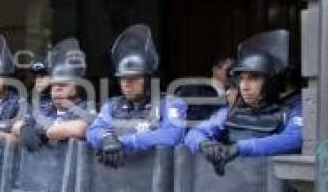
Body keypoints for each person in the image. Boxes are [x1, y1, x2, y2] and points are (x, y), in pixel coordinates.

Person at [185, 30, 302, 175]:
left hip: (271, 191)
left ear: (271, 82)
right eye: (242, 79)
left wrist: (240, 148)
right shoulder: (231, 112)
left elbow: (294, 139)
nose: (244, 86)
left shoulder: (289, 112)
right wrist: (204, 144)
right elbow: (195, 133)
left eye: (253, 78)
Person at [86, 24, 186, 167]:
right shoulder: (113, 106)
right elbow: (93, 130)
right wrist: (106, 138)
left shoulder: (170, 104)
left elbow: (171, 136)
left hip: (158, 181)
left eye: (133, 78)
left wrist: (123, 142)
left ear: (147, 80)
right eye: (122, 78)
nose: (126, 83)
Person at [14, 38, 95, 151]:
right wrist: (24, 128)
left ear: (75, 88)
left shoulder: (87, 108)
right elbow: (16, 125)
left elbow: (80, 128)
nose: (56, 89)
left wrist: (44, 133)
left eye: (62, 85)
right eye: (54, 84)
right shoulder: (43, 109)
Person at [176, 56, 235, 122]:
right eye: (229, 70)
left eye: (235, 71)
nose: (232, 74)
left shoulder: (239, 93)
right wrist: (227, 105)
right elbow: (194, 117)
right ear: (215, 69)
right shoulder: (197, 87)